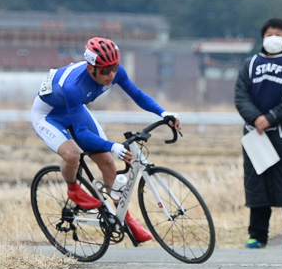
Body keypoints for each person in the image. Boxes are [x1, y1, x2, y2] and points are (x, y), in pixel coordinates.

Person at [30, 37, 178, 244]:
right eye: (105, 70)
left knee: (108, 162)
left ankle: (123, 217)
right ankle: (73, 189)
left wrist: (163, 113)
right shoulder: (73, 85)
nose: (111, 74)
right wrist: (112, 145)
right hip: (48, 116)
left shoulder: (114, 72)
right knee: (72, 153)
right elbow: (81, 134)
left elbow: (137, 95)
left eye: (114, 68)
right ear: (91, 69)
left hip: (74, 110)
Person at [235, 18, 282, 248]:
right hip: (255, 135)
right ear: (263, 38)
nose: (272, 38)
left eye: (277, 34)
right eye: (268, 34)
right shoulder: (250, 64)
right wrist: (256, 118)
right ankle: (257, 236)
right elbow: (241, 95)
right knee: (257, 185)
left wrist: (271, 117)